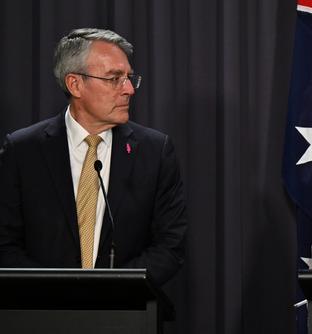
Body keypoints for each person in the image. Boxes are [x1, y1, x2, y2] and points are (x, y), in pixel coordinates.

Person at [0, 28, 187, 286]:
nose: (129, 89)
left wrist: (108, 290)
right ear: (75, 84)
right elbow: (5, 244)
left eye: (130, 78)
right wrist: (57, 292)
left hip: (123, 315)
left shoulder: (155, 152)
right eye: (114, 78)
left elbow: (170, 245)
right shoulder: (22, 151)